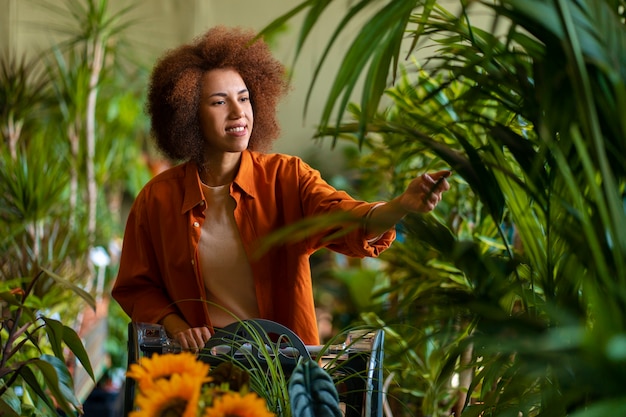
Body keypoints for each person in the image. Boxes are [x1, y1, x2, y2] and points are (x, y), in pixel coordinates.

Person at [111, 26, 450, 351]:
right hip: (200, 369)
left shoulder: (287, 178)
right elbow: (137, 287)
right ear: (187, 115)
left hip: (283, 369)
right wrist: (176, 325)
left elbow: (345, 217)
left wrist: (401, 206)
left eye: (244, 98)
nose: (238, 112)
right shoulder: (157, 198)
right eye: (219, 102)